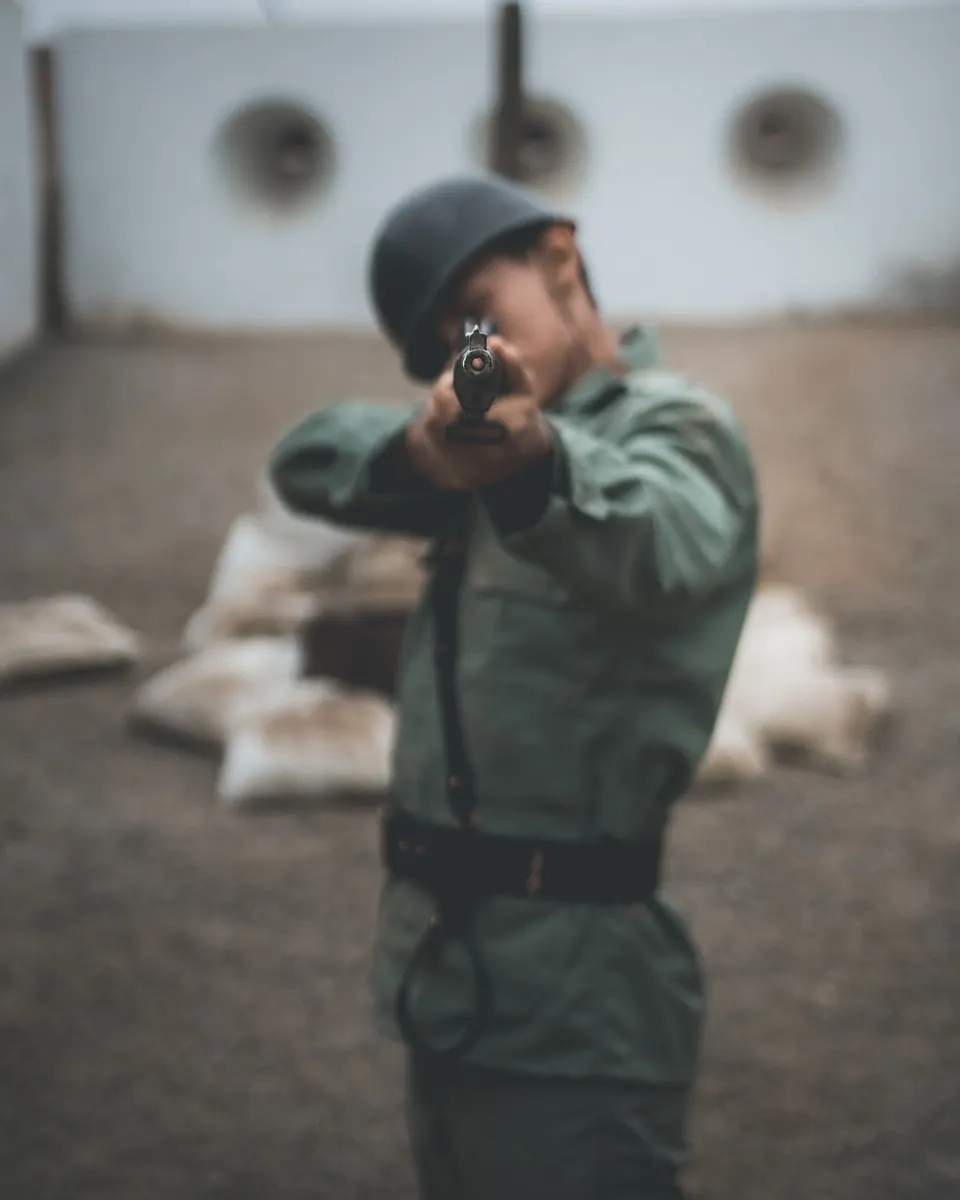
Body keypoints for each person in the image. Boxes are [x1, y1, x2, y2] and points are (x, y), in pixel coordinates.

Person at [269, 174, 760, 1200]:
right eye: (446, 342)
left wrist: (532, 461)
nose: (469, 348)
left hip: (580, 1008)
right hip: (442, 982)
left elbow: (654, 538)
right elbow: (302, 457)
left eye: (480, 317)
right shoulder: (464, 451)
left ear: (563, 261)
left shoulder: (678, 428)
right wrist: (427, 451)